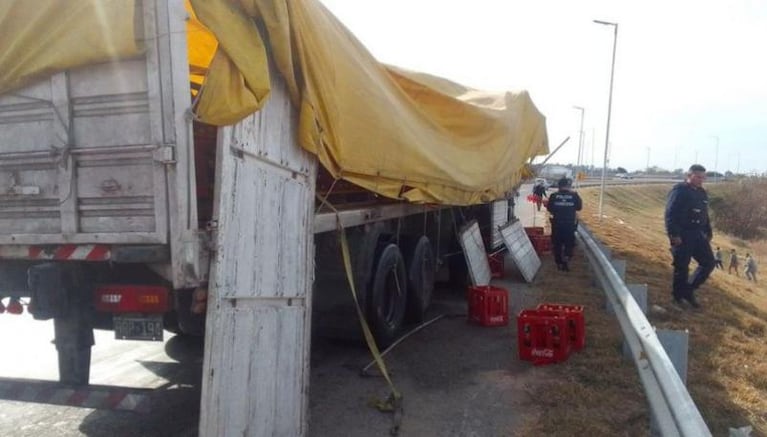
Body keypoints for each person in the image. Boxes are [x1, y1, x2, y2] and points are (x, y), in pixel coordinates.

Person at [665, 164, 715, 308]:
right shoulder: (679, 191)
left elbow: (704, 214)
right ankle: (678, 297)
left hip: (698, 234)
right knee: (682, 267)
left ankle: (688, 290)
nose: (701, 180)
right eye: (698, 177)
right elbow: (670, 214)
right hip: (682, 234)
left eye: (703, 177)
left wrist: (708, 231)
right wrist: (673, 234)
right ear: (689, 175)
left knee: (708, 263)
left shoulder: (701, 192)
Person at [546, 177, 582, 272]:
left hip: (557, 224)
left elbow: (549, 208)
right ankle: (566, 258)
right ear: (568, 186)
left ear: (559, 186)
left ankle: (558, 262)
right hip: (569, 224)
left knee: (557, 244)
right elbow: (579, 207)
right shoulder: (574, 195)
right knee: (569, 243)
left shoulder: (554, 195)